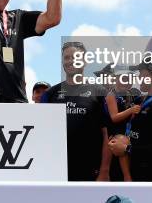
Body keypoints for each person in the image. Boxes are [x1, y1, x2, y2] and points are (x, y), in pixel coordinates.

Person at [41, 42, 111, 181]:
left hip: (90, 173)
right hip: (55, 172)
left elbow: (107, 134)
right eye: (66, 58)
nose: (70, 61)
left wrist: (104, 171)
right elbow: (41, 132)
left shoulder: (100, 92)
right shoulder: (50, 94)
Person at [105, 67, 142, 181]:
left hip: (127, 130)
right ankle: (127, 177)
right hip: (115, 131)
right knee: (122, 141)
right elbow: (114, 117)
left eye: (129, 79)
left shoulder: (130, 95)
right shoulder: (111, 95)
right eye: (124, 79)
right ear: (116, 79)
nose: (127, 82)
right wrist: (131, 111)